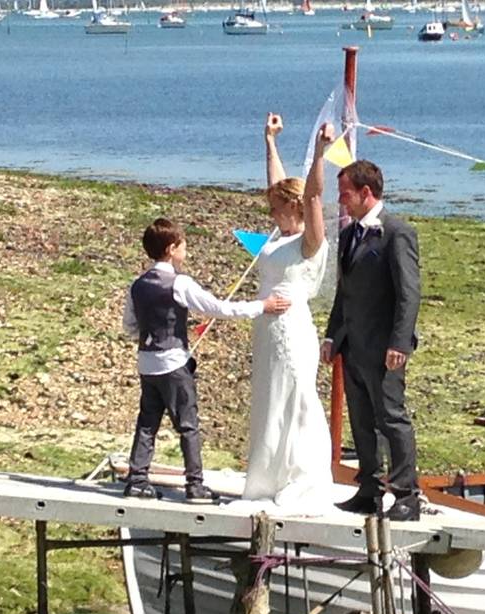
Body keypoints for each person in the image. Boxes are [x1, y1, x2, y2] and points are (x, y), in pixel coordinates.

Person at [122, 218, 291, 502]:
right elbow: (218, 308)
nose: (186, 252)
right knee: (188, 424)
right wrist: (262, 306)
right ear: (172, 248)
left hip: (147, 362)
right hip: (173, 362)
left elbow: (130, 326)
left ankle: (137, 479)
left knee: (147, 422)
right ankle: (195, 484)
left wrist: (154, 330)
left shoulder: (136, 284)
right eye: (184, 246)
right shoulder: (179, 283)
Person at [235, 113, 335, 512]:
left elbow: (312, 196)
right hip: (267, 330)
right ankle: (266, 478)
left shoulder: (310, 242)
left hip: (293, 329)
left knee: (296, 398)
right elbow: (278, 186)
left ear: (293, 208)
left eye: (278, 208)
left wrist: (320, 155)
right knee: (271, 398)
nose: (271, 213)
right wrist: (270, 141)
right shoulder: (278, 237)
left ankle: (300, 477)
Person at [320, 158, 422, 522]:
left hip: (384, 347)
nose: (341, 200)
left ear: (366, 193)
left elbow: (409, 293)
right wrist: (332, 335)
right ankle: (370, 488)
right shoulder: (349, 236)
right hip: (353, 343)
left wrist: (400, 342)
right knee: (361, 419)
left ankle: (407, 493)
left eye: (345, 194)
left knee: (391, 417)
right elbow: (343, 293)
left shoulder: (396, 232)